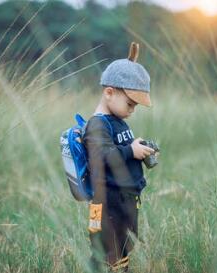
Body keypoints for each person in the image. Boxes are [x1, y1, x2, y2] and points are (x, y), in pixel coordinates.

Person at [83, 42, 155, 272]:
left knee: (123, 247)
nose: (132, 110)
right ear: (109, 92)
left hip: (123, 202)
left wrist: (138, 147)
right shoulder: (97, 125)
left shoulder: (117, 121)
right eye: (130, 103)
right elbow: (102, 156)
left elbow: (120, 150)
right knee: (106, 252)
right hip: (108, 204)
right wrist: (130, 150)